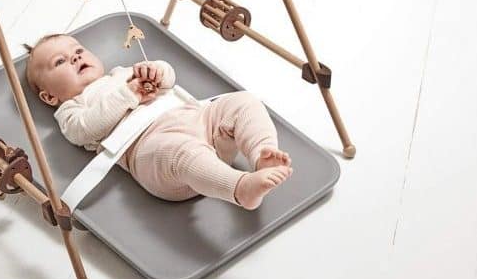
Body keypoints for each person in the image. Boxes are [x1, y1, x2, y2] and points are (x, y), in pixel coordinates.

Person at [25, 34, 293, 210]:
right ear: (49, 97)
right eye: (60, 61)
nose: (76, 57)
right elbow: (84, 131)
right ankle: (239, 188)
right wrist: (128, 94)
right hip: (153, 150)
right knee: (182, 153)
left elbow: (169, 79)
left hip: (202, 121)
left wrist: (158, 71)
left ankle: (261, 154)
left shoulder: (124, 73)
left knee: (243, 101)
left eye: (78, 50)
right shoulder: (71, 108)